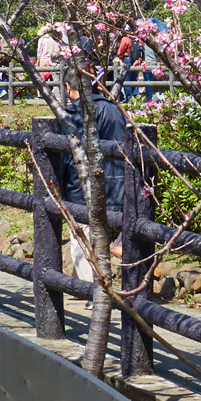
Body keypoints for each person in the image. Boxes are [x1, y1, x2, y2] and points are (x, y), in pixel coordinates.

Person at [57, 55, 133, 282]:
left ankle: (93, 290)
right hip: (118, 184)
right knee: (100, 235)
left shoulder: (75, 113)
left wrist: (60, 186)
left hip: (83, 186)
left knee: (82, 236)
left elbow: (69, 156)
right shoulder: (114, 108)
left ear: (68, 87)